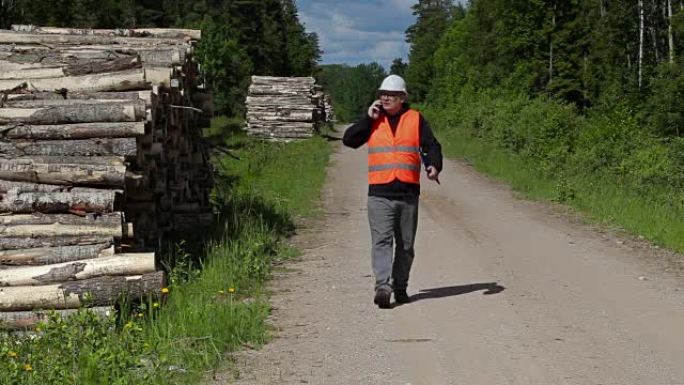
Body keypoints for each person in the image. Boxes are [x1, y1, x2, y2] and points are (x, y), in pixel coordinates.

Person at [342, 74, 443, 308]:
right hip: (379, 193)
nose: (386, 98)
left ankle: (400, 286)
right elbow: (350, 140)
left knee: (406, 245)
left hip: (408, 193)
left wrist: (434, 166)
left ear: (402, 98)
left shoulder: (416, 119)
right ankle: (382, 287)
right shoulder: (373, 119)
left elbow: (431, 146)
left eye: (391, 95)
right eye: (383, 94)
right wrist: (367, 119)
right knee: (382, 241)